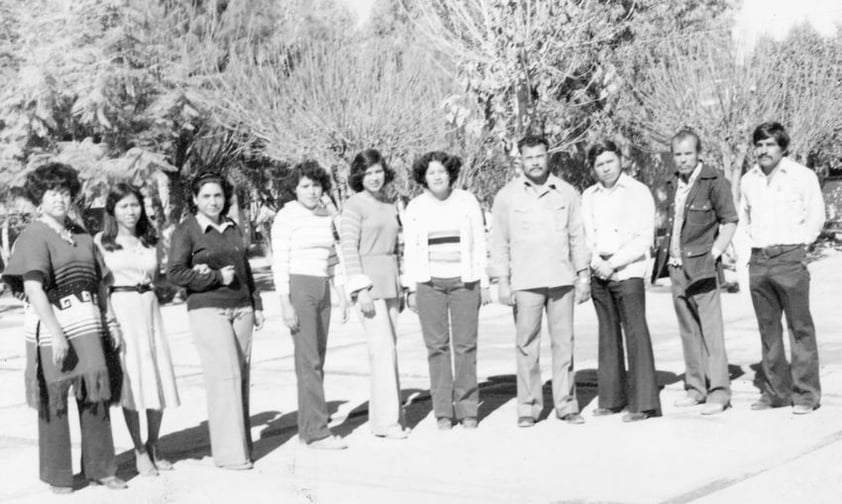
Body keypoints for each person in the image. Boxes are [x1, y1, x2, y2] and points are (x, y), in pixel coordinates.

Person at [1, 163, 127, 493]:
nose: (60, 198)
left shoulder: (83, 235)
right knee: (55, 400)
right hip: (51, 330)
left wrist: (111, 320)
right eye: (51, 192)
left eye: (65, 191)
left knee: (95, 394)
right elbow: (33, 289)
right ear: (38, 199)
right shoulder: (32, 235)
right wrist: (56, 333)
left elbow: (101, 283)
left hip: (90, 326)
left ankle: (102, 468)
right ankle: (58, 475)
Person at [490, 134, 590, 428]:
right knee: (526, 346)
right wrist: (503, 281)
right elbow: (499, 242)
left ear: (549, 156)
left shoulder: (567, 193)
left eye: (539, 156)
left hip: (561, 279)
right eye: (528, 157)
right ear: (519, 159)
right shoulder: (506, 196)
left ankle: (566, 404)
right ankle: (528, 407)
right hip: (525, 282)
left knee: (564, 344)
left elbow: (576, 235)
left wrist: (583, 274)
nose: (534, 162)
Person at [167, 172, 264, 470]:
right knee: (225, 377)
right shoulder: (187, 229)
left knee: (241, 378)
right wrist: (213, 277)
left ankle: (242, 448)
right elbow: (175, 273)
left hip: (242, 309)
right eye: (206, 196)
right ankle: (229, 455)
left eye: (218, 195)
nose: (213, 201)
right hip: (208, 308)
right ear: (195, 199)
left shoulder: (232, 226)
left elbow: (245, 268)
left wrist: (256, 303)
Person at [740, 121, 825, 414]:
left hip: (790, 258)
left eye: (770, 145)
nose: (764, 150)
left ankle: (805, 395)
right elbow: (744, 218)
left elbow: (816, 215)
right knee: (768, 330)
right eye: (759, 145)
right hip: (759, 260)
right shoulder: (748, 180)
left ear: (783, 147)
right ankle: (776, 392)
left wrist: (800, 245)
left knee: (800, 328)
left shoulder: (802, 176)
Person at [95, 183, 180, 476]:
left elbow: (161, 276)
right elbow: (101, 287)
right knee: (133, 379)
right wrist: (111, 323)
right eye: (124, 206)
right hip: (122, 308)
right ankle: (139, 450)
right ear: (112, 211)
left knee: (157, 374)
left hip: (150, 307)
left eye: (135, 205)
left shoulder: (150, 239)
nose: (131, 211)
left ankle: (154, 443)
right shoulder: (102, 242)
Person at [652, 130, 738, 415]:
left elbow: (729, 221)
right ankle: (696, 388)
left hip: (703, 268)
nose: (683, 159)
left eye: (688, 153)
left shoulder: (714, 181)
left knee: (711, 333)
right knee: (689, 331)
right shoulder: (672, 182)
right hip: (676, 267)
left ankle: (719, 392)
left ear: (698, 152)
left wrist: (715, 252)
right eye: (678, 154)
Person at [403, 151, 490, 430]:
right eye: (431, 173)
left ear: (450, 173)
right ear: (423, 178)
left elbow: (480, 243)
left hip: (464, 283)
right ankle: (442, 411)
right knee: (436, 348)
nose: (437, 176)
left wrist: (484, 283)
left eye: (441, 171)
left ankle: (467, 409)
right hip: (430, 284)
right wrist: (411, 287)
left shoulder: (467, 201)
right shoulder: (415, 207)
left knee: (465, 346)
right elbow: (410, 250)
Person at [271, 161, 349, 449]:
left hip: (322, 289)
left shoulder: (325, 214)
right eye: (305, 186)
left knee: (317, 359)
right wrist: (285, 303)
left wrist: (340, 293)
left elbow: (333, 256)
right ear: (294, 188)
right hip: (299, 287)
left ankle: (309, 429)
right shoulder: (286, 216)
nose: (312, 191)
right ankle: (318, 432)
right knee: (309, 362)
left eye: (316, 185)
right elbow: (279, 260)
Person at [582, 140, 661, 422]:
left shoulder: (638, 192)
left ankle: (643, 404)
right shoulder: (589, 196)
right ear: (593, 168)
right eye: (599, 164)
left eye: (610, 162)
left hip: (627, 270)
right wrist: (596, 264)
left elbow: (643, 238)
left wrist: (613, 264)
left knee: (635, 334)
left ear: (620, 160)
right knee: (607, 334)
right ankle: (612, 399)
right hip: (599, 271)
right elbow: (585, 235)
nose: (606, 168)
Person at [340, 149, 408, 439]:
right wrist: (360, 288)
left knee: (388, 351)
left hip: (390, 280)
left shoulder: (389, 203)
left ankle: (383, 418)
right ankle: (388, 422)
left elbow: (398, 246)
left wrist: (402, 284)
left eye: (379, 171)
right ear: (359, 176)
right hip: (368, 284)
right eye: (368, 173)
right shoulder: (353, 206)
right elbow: (348, 248)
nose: (375, 177)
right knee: (381, 351)